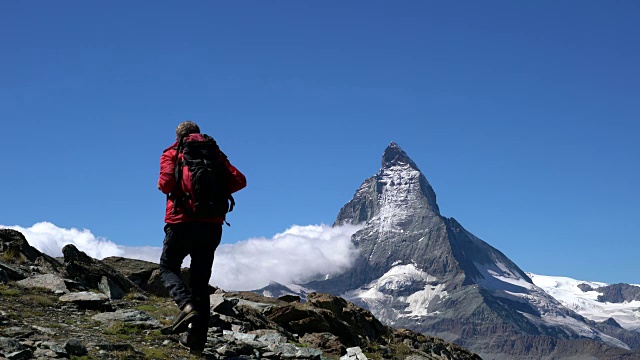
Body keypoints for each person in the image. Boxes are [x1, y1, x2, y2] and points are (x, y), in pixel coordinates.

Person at [157, 121, 246, 354]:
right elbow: (240, 180)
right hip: (211, 226)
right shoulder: (215, 155)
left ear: (179, 137)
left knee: (168, 266)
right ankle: (196, 342)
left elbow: (164, 184)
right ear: (198, 134)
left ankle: (185, 305)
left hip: (181, 222)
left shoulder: (172, 153)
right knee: (200, 282)